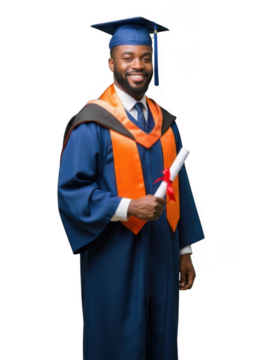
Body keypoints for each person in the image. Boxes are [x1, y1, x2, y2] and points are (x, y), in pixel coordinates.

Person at [57, 16, 205, 360]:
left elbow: (178, 188)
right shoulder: (92, 123)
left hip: (162, 254)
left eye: (145, 57)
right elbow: (71, 192)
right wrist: (126, 208)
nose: (138, 65)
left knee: (161, 339)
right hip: (114, 256)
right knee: (116, 341)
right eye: (127, 57)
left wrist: (185, 252)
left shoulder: (165, 124)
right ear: (111, 64)